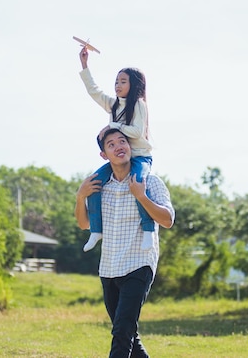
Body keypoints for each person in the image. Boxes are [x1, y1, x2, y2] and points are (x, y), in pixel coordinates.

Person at [75, 128, 175, 358]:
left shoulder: (150, 182)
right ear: (104, 155)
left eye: (123, 141)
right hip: (109, 268)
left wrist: (141, 196)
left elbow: (168, 220)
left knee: (122, 333)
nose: (119, 146)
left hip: (139, 264)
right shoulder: (99, 189)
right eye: (111, 144)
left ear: (130, 147)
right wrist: (80, 196)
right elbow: (83, 224)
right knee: (128, 334)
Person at [78, 46, 154, 252]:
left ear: (134, 84)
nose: (117, 85)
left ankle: (148, 230)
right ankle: (96, 230)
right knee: (94, 182)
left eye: (123, 81)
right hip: (118, 159)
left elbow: (137, 133)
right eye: (116, 82)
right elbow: (94, 91)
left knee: (137, 183)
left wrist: (114, 126)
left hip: (139, 157)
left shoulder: (139, 105)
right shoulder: (113, 106)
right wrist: (85, 65)